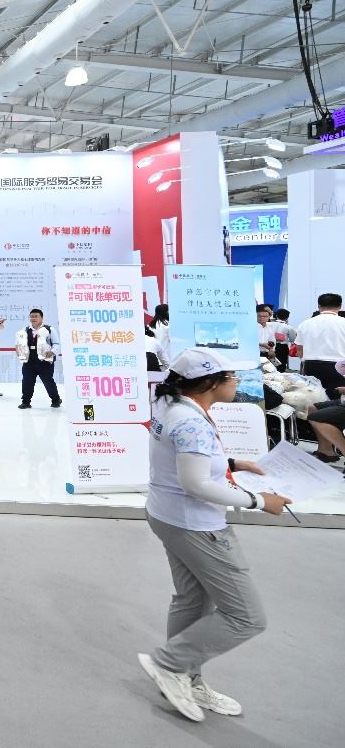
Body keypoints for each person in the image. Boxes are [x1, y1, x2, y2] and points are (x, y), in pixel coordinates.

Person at [138, 347, 289, 723]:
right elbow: (196, 484)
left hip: (168, 515)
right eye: (231, 377)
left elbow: (183, 460)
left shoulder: (172, 405)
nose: (236, 382)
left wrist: (234, 464)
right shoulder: (189, 421)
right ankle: (169, 664)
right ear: (209, 383)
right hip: (196, 525)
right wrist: (259, 501)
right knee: (246, 616)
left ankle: (185, 679)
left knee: (192, 600)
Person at [294, 293, 345, 393]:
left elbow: (299, 348)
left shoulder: (305, 324)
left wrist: (304, 363)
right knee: (337, 397)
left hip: (311, 365)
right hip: (339, 366)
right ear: (340, 306)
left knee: (313, 396)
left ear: (319, 306)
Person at [15, 309, 61, 410]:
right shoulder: (25, 330)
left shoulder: (49, 329)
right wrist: (18, 350)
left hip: (45, 360)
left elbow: (57, 344)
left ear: (41, 318)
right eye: (31, 316)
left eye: (36, 316)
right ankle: (26, 402)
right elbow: (18, 343)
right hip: (29, 360)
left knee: (48, 381)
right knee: (27, 381)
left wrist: (52, 352)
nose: (33, 318)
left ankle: (56, 399)